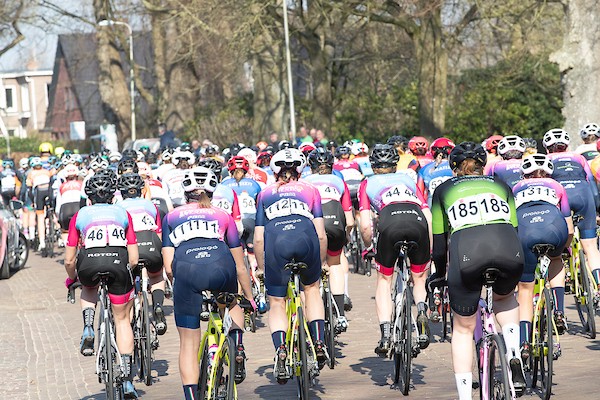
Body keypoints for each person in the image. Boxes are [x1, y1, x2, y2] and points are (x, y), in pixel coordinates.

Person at [430, 142, 526, 399]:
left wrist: (440, 274)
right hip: (508, 247)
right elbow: (515, 230)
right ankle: (514, 353)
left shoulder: (443, 189)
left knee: (462, 327)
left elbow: (439, 245)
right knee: (506, 299)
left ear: (454, 167)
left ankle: (464, 395)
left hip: (468, 253)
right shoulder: (500, 185)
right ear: (483, 165)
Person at [161, 166, 254, 400]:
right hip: (221, 265)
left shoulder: (171, 217)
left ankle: (192, 396)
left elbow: (169, 266)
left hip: (187, 270)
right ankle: (237, 344)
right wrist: (250, 298)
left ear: (185, 192)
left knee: (189, 343)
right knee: (232, 303)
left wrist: (182, 285)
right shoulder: (222, 216)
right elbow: (240, 265)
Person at [253, 148, 328, 382]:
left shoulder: (265, 194)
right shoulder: (310, 190)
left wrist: (262, 268)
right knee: (312, 289)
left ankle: (281, 351)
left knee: (276, 301)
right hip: (306, 237)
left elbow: (257, 238)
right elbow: (322, 234)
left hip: (276, 241)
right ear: (300, 169)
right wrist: (322, 263)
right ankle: (318, 342)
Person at [64, 169, 140, 398]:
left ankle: (88, 325)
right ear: (112, 195)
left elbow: (69, 258)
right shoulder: (122, 213)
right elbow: (134, 258)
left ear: (89, 196)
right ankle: (127, 379)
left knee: (88, 288)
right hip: (118, 261)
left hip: (89, 263)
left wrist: (72, 278)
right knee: (122, 319)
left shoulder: (81, 215)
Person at [358, 144, 432, 354]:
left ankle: (386, 334)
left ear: (373, 165)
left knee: (384, 280)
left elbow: (364, 224)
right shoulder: (408, 179)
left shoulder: (367, 183)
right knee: (419, 278)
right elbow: (427, 214)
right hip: (417, 222)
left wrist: (368, 245)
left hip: (390, 224)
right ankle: (422, 313)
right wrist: (431, 248)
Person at [512, 154, 573, 362]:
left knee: (526, 289)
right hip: (554, 227)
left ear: (524, 173)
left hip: (525, 229)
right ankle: (559, 310)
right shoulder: (556, 185)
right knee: (557, 260)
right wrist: (564, 248)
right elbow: (569, 225)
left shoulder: (516, 187)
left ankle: (524, 342)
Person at [543, 128, 600, 294]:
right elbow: (592, 186)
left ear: (547, 148)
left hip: (561, 199)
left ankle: (565, 265)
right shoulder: (579, 158)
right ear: (567, 146)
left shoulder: (546, 159)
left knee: (558, 251)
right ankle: (598, 283)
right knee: (590, 246)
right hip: (584, 196)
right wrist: (595, 209)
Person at [304, 148, 354, 333]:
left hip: (314, 226)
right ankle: (340, 313)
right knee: (334, 264)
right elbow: (350, 220)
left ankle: (312, 317)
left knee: (310, 270)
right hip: (335, 222)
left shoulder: (304, 182)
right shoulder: (339, 182)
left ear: (311, 167)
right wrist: (346, 235)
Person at [116, 172, 168, 335]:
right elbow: (158, 233)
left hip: (131, 245)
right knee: (156, 276)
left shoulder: (118, 208)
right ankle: (158, 305)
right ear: (141, 190)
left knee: (127, 279)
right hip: (150, 241)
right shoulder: (151, 206)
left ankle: (131, 317)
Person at [221, 156, 262, 272]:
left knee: (235, 257)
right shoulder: (254, 184)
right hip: (250, 220)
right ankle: (258, 280)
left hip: (233, 222)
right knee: (252, 254)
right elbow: (258, 203)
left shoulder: (224, 184)